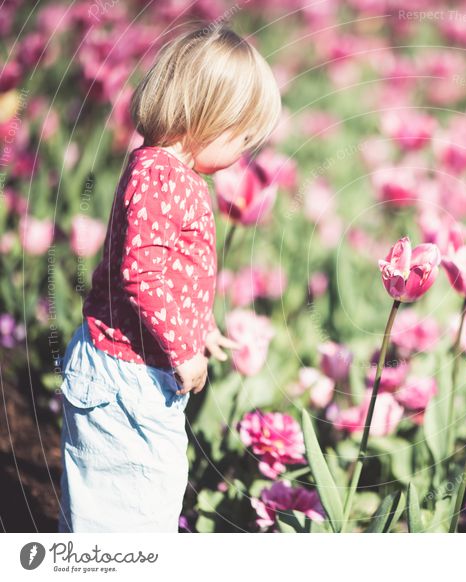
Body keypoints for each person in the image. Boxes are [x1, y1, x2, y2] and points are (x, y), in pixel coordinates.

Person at [57, 23, 282, 532]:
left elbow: (167, 272)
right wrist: (182, 349)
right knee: (117, 510)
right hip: (125, 375)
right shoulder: (160, 177)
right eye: (241, 137)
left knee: (146, 497)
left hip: (136, 368)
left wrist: (200, 326)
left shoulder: (167, 173)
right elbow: (141, 277)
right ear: (205, 118)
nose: (243, 153)